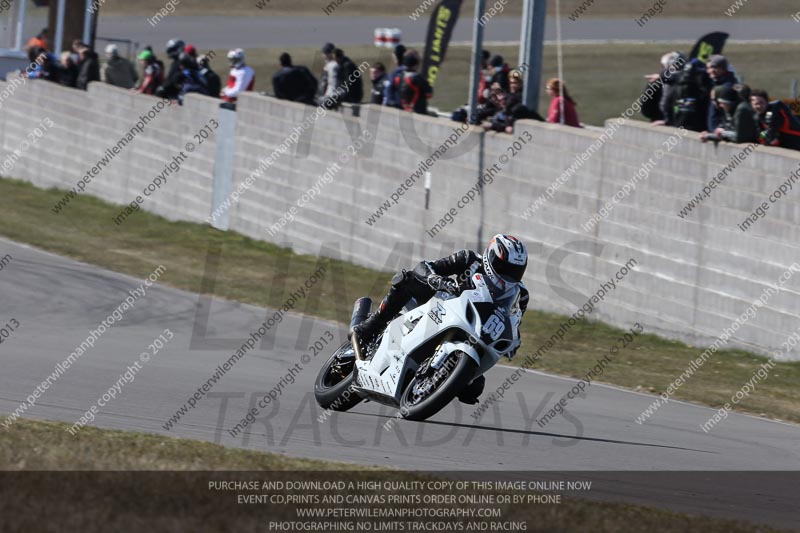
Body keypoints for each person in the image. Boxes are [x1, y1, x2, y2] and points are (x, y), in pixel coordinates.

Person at [349, 234, 530, 404]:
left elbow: (514, 322)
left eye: (514, 271)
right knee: (408, 279)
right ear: (489, 257)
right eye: (503, 268)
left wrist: (513, 342)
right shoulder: (469, 259)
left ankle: (432, 382)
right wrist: (436, 279)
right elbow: (426, 266)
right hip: (438, 305)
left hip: (474, 331)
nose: (508, 275)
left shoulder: (520, 295)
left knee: (474, 387)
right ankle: (370, 326)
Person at [705, 55, 738, 132]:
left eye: (713, 67)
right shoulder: (715, 83)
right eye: (708, 68)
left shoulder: (727, 87)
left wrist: (719, 130)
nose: (709, 71)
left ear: (722, 69)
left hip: (720, 132)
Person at [397, 50, 432, 115]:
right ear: (416, 64)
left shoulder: (399, 76)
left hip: (403, 108)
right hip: (417, 110)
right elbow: (429, 94)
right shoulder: (417, 78)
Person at [384, 44, 407, 108]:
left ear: (396, 57)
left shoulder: (397, 72)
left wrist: (390, 102)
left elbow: (389, 89)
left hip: (397, 106)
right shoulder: (410, 70)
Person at [318, 42, 339, 107]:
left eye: (324, 53)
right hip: (330, 95)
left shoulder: (332, 66)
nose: (323, 56)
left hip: (330, 95)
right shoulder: (333, 64)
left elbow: (326, 83)